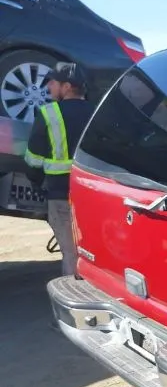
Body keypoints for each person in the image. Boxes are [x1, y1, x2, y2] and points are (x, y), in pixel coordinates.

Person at [23, 62, 95, 277]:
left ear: (66, 87)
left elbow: (34, 159)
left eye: (53, 83)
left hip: (60, 195)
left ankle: (74, 301)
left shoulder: (48, 113)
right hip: (94, 195)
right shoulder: (98, 112)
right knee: (95, 252)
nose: (49, 88)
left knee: (71, 254)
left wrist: (36, 182)